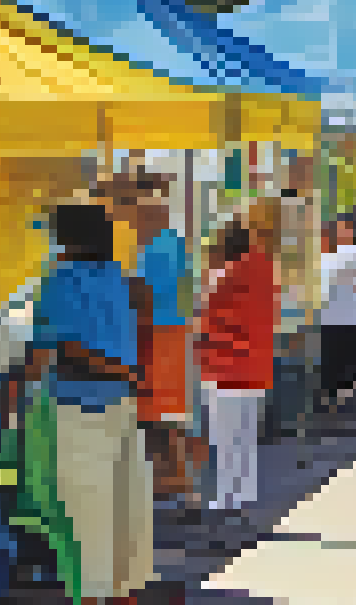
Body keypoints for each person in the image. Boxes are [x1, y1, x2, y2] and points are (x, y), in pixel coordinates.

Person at [18, 198, 156, 605]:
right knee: (125, 515)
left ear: (68, 239)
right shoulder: (120, 278)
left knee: (85, 522)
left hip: (77, 409)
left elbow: (64, 349)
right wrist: (131, 373)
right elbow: (142, 314)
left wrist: (14, 390)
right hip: (121, 408)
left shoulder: (58, 282)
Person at [112, 177, 196, 504]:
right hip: (164, 334)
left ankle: (179, 484)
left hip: (159, 335)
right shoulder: (167, 243)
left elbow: (144, 295)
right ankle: (172, 483)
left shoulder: (158, 247)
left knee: (161, 416)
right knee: (160, 416)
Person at [196, 217, 280, 516]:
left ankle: (225, 496)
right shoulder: (265, 273)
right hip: (256, 367)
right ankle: (246, 492)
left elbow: (204, 318)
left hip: (224, 366)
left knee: (224, 438)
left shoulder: (220, 277)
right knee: (246, 435)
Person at [318, 215, 356, 412]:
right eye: (340, 229)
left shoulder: (352, 256)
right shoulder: (334, 256)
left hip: (347, 318)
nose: (343, 232)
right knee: (339, 361)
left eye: (346, 228)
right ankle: (339, 397)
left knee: (346, 361)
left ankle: (341, 398)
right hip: (335, 318)